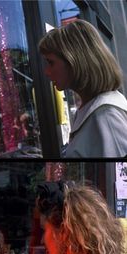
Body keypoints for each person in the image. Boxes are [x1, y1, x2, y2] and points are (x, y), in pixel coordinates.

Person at [38, 19, 127, 158]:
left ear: (75, 61)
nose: (46, 71)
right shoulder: (94, 108)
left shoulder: (106, 115)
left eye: (51, 62)